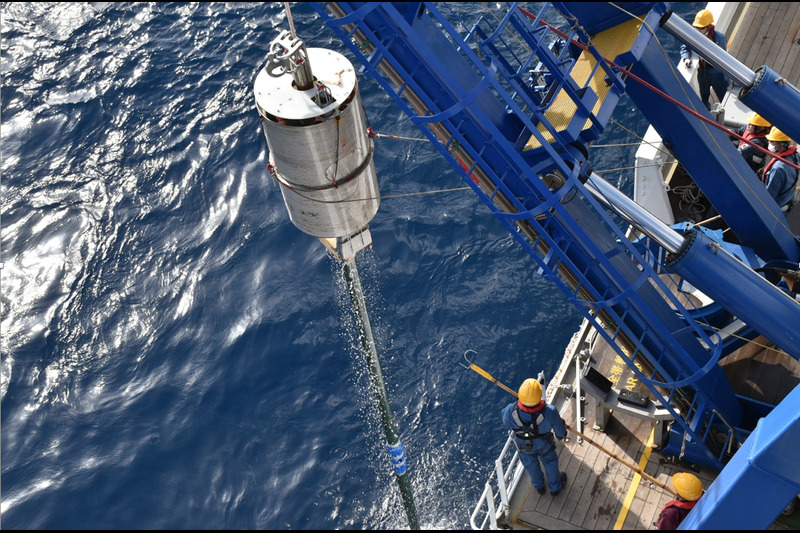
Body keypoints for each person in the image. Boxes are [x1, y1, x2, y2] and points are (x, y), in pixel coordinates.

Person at [501, 378, 568, 496]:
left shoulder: (510, 411)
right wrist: (561, 432)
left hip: (524, 446)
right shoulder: (550, 412)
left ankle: (539, 487)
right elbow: (561, 433)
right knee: (550, 462)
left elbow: (505, 421)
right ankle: (555, 488)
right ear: (539, 396)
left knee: (531, 465)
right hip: (544, 444)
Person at [680, 9, 729, 110]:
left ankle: (726, 114)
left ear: (708, 27)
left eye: (701, 28)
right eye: (696, 27)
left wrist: (724, 76)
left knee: (723, 96)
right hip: (702, 72)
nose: (697, 30)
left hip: (716, 73)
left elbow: (724, 58)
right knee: (704, 96)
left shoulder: (719, 38)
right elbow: (684, 47)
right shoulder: (693, 35)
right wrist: (686, 59)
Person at [761, 127, 799, 211]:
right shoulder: (795, 156)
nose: (769, 143)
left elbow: (770, 196)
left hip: (776, 209)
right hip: (788, 201)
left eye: (771, 142)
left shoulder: (778, 168)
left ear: (781, 145)